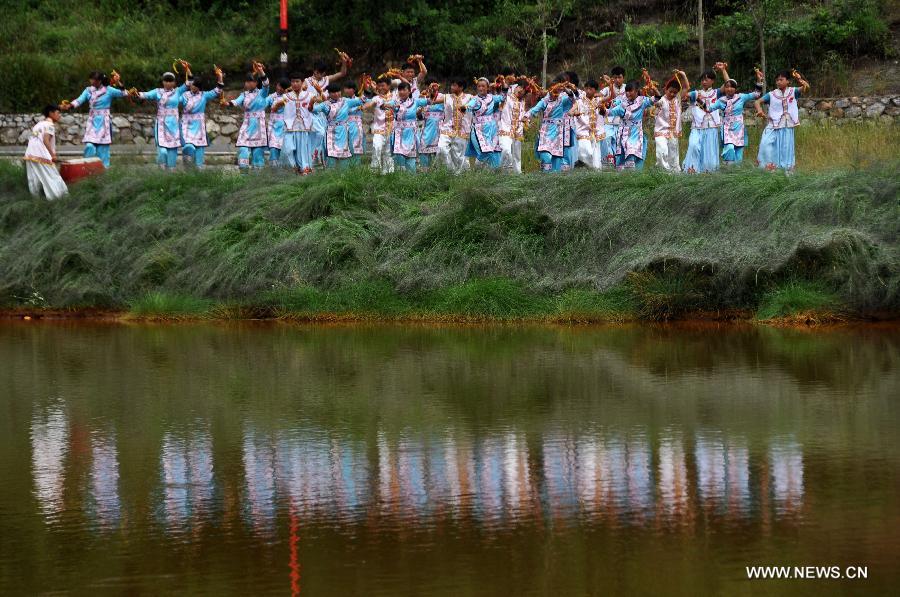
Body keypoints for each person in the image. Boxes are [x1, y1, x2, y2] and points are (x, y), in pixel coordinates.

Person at [60, 70, 130, 168]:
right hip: (92, 121)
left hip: (104, 121)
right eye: (91, 79)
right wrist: (70, 106)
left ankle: (103, 171)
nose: (92, 82)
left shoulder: (109, 90)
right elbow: (79, 100)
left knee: (103, 150)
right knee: (89, 146)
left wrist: (118, 82)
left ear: (100, 80)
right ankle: (86, 166)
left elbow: (124, 94)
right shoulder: (88, 90)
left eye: (95, 80)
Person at [134, 62, 192, 170]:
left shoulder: (178, 91)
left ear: (174, 82)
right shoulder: (157, 92)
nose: (168, 83)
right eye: (166, 80)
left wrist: (187, 69)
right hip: (161, 124)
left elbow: (190, 82)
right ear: (163, 81)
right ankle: (161, 171)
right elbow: (145, 94)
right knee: (163, 151)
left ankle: (170, 173)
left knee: (172, 150)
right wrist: (137, 94)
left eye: (170, 81)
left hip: (174, 124)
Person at [755, 69, 810, 172]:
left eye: (781, 79)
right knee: (765, 144)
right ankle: (768, 170)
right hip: (773, 126)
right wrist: (760, 111)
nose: (778, 82)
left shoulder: (793, 91)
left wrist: (799, 78)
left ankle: (785, 174)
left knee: (786, 151)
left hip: (787, 127)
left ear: (788, 81)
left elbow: (806, 87)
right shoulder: (771, 94)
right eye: (777, 80)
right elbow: (757, 102)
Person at [707, 68, 764, 165]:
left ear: (735, 88)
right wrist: (698, 101)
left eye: (732, 87)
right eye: (727, 87)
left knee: (739, 155)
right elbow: (708, 109)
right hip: (727, 129)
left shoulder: (741, 97)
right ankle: (728, 169)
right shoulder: (721, 101)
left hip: (739, 129)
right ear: (724, 89)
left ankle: (736, 175)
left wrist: (759, 80)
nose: (729, 89)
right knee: (729, 148)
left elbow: (756, 94)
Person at [307, 52, 352, 167]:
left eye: (323, 73)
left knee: (324, 138)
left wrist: (343, 62)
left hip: (324, 114)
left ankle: (321, 161)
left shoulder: (326, 79)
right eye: (320, 73)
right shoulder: (307, 81)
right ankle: (312, 157)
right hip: (312, 113)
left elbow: (342, 73)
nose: (322, 75)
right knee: (320, 134)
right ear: (315, 71)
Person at [682, 64, 727, 173]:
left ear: (713, 81)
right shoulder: (696, 93)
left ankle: (707, 173)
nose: (704, 82)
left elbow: (729, 84)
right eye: (702, 79)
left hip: (711, 128)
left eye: (706, 79)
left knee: (709, 153)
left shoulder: (716, 93)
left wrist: (723, 70)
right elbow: (684, 95)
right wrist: (684, 76)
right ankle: (692, 170)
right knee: (693, 146)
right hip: (697, 128)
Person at [526, 78, 577, 172]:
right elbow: (535, 109)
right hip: (546, 130)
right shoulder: (544, 101)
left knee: (556, 155)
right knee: (545, 152)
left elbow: (572, 99)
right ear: (550, 89)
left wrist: (566, 89)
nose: (556, 93)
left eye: (559, 90)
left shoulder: (562, 100)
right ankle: (546, 175)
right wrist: (526, 116)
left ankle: (555, 177)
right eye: (555, 90)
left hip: (558, 131)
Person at [275, 72, 322, 175]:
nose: (295, 84)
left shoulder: (308, 95)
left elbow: (320, 99)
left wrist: (319, 93)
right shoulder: (286, 96)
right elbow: (274, 106)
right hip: (289, 129)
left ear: (302, 82)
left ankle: (302, 174)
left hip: (303, 129)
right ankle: (293, 169)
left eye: (297, 81)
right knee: (287, 150)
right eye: (293, 81)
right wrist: (277, 105)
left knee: (302, 155)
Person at [606, 78, 656, 171]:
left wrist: (655, 90)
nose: (628, 93)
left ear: (636, 91)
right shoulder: (622, 102)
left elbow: (655, 99)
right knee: (625, 152)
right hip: (623, 133)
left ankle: (634, 176)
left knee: (633, 152)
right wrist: (604, 108)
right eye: (626, 91)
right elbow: (610, 111)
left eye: (630, 91)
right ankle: (625, 176)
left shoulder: (642, 101)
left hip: (636, 133)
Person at [311, 83, 364, 169]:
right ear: (329, 93)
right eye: (333, 92)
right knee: (330, 154)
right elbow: (314, 110)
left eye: (338, 91)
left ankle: (344, 175)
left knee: (344, 152)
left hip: (343, 130)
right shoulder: (325, 104)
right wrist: (311, 102)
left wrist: (367, 90)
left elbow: (361, 101)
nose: (336, 94)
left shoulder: (346, 101)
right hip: (331, 131)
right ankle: (330, 175)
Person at [180, 67, 224, 168]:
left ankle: (199, 175)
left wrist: (220, 76)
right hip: (187, 124)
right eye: (192, 84)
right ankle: (187, 170)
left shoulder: (204, 95)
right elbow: (175, 100)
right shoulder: (184, 95)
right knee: (188, 147)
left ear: (199, 87)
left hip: (199, 127)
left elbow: (218, 90)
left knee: (199, 156)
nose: (192, 86)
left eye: (194, 85)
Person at [228, 62, 270, 170]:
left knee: (257, 153)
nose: (247, 83)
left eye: (250, 81)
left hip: (258, 126)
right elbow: (236, 102)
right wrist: (228, 103)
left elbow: (266, 83)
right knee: (243, 149)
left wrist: (261, 71)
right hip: (246, 125)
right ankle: (243, 172)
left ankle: (257, 179)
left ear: (256, 83)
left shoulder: (262, 93)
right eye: (246, 81)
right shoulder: (244, 95)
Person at [383, 82, 432, 172]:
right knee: (399, 155)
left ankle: (411, 180)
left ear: (409, 91)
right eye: (399, 90)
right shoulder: (395, 102)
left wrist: (433, 92)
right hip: (398, 134)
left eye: (404, 90)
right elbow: (383, 105)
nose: (401, 92)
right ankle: (399, 178)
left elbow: (430, 101)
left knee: (410, 157)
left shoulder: (415, 101)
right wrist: (391, 106)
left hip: (410, 134)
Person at [24, 105, 67, 200]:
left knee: (34, 179)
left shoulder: (38, 124)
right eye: (58, 113)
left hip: (30, 154)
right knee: (53, 177)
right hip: (41, 154)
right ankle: (59, 198)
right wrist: (52, 155)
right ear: (51, 113)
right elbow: (46, 140)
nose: (60, 115)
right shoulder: (50, 125)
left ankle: (36, 200)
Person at [461, 78, 504, 170]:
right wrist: (464, 107)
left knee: (494, 151)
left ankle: (491, 174)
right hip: (479, 129)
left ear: (487, 88)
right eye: (479, 86)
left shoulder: (492, 98)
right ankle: (476, 170)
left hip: (492, 129)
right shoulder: (475, 100)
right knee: (485, 152)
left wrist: (503, 84)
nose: (481, 88)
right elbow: (469, 105)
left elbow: (503, 97)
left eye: (483, 86)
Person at [653, 71, 689, 172]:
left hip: (673, 132)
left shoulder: (677, 99)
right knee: (662, 151)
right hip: (661, 131)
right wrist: (657, 105)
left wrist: (683, 75)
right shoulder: (662, 100)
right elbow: (656, 103)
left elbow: (686, 88)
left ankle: (674, 174)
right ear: (666, 89)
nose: (672, 94)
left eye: (675, 92)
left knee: (673, 155)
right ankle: (664, 173)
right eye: (670, 91)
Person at [360, 76, 396, 174]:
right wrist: (363, 107)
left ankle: (388, 174)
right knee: (377, 147)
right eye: (379, 86)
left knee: (388, 152)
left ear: (388, 86)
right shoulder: (376, 98)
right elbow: (370, 104)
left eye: (383, 85)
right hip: (379, 130)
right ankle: (375, 172)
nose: (380, 88)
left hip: (393, 130)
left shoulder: (395, 96)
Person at [437, 79, 473, 173]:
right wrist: (432, 93)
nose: (452, 87)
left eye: (454, 85)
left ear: (461, 87)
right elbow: (433, 100)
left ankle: (458, 176)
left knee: (458, 156)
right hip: (447, 128)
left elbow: (479, 101)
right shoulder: (447, 97)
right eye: (452, 85)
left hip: (462, 129)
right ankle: (451, 170)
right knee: (442, 149)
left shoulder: (469, 98)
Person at [571, 79, 603, 169]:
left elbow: (604, 110)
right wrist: (574, 113)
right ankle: (584, 165)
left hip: (595, 132)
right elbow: (571, 112)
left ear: (595, 90)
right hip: (582, 132)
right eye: (587, 88)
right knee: (586, 152)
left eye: (591, 89)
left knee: (596, 156)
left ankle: (593, 173)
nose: (588, 91)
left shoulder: (598, 101)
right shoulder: (579, 101)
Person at [498, 79, 529, 173]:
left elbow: (525, 115)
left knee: (517, 155)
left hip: (518, 130)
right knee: (506, 150)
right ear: (515, 87)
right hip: (505, 128)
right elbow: (502, 94)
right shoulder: (507, 97)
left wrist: (526, 121)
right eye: (519, 87)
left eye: (523, 89)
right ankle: (504, 173)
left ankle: (517, 175)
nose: (521, 90)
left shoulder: (523, 102)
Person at [599, 65, 626, 166]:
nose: (617, 80)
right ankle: (608, 163)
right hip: (609, 120)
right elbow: (599, 95)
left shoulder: (628, 88)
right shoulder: (607, 89)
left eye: (619, 77)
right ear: (612, 78)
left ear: (623, 77)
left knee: (619, 143)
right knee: (606, 139)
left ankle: (619, 164)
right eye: (615, 77)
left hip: (623, 121)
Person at [417, 81, 444, 171]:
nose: (433, 88)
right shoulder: (423, 97)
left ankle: (439, 171)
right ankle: (425, 171)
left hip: (439, 127)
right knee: (423, 148)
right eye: (430, 87)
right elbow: (420, 117)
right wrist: (419, 111)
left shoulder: (443, 97)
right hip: (427, 128)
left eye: (435, 86)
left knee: (440, 149)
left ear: (438, 87)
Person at [266, 78, 290, 166]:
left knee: (285, 150)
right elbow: (263, 103)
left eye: (283, 87)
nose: (280, 88)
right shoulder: (271, 97)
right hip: (273, 127)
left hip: (286, 127)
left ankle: (285, 171)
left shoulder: (291, 97)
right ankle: (274, 172)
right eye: (279, 85)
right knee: (273, 148)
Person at [343, 81, 365, 166]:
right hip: (345, 124)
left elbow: (367, 101)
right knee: (346, 144)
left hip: (356, 124)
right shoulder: (343, 100)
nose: (346, 90)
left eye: (349, 88)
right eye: (345, 88)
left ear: (353, 89)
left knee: (356, 143)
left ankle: (356, 165)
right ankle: (347, 165)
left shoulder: (358, 99)